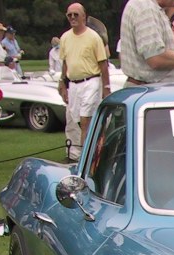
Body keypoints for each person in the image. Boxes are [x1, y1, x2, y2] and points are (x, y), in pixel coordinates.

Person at [59, 3, 110, 161]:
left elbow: (103, 64)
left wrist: (106, 87)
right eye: (70, 15)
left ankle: (85, 159)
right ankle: (77, 155)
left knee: (86, 119)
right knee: (74, 120)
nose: (72, 17)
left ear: (84, 17)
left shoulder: (94, 37)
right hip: (74, 83)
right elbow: (65, 62)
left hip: (91, 81)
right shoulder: (65, 37)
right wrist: (62, 82)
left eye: (76, 14)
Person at [120, 0, 174, 84]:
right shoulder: (146, 8)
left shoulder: (144, 6)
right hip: (151, 90)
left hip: (150, 89)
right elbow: (156, 58)